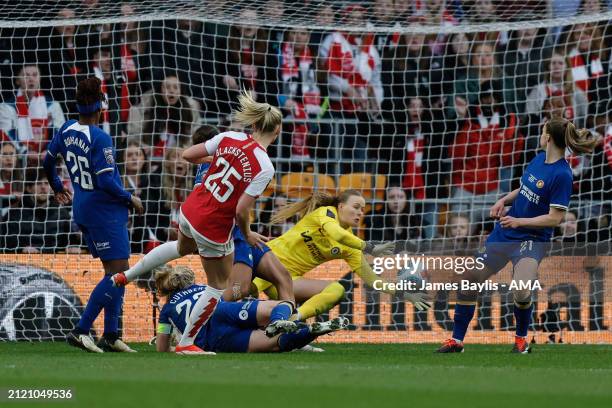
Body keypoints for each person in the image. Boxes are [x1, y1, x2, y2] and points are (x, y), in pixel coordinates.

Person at [112, 90, 282, 355]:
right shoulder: (265, 166)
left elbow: (188, 155)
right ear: (277, 130)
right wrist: (248, 234)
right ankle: (187, 342)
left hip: (190, 210)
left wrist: (220, 161)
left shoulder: (230, 136)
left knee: (180, 248)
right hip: (214, 225)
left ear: (254, 124)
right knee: (219, 286)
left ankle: (128, 274)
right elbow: (240, 211)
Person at [437, 117, 598, 354]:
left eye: (542, 131)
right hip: (506, 233)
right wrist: (503, 200)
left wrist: (518, 220)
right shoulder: (537, 159)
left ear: (548, 137)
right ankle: (456, 341)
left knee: (521, 289)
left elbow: (555, 218)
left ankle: (521, 341)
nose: (540, 135)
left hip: (532, 240)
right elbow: (523, 189)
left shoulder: (563, 174)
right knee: (469, 279)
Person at [42, 76, 144, 353]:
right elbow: (107, 181)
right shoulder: (100, 137)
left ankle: (111, 335)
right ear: (101, 107)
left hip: (83, 207)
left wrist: (57, 187)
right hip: (105, 210)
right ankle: (81, 329)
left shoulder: (65, 129)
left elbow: (47, 160)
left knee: (113, 271)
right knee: (120, 272)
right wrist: (130, 197)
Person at [252, 189, 432, 321]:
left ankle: (294, 321)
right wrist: (368, 247)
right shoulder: (325, 213)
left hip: (286, 280)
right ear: (340, 206)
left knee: (337, 290)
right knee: (238, 293)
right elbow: (336, 233)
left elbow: (373, 280)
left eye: (362, 209)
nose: (360, 212)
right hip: (264, 263)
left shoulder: (350, 246)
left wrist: (403, 293)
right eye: (356, 207)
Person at [154, 266, 347, 353]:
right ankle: (279, 321)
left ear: (165, 290)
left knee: (276, 344)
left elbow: (161, 348)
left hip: (214, 340)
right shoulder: (205, 288)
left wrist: (174, 345)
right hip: (224, 310)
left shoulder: (167, 311)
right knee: (281, 305)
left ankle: (311, 332)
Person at [2, 170, 80, 254]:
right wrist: (21, 248)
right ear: (29, 188)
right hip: (24, 262)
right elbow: (6, 242)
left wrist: (73, 246)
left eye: (46, 183)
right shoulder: (14, 214)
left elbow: (71, 240)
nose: (43, 187)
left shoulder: (62, 213)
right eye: (38, 183)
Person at [0, 64, 66, 164]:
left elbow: (60, 131)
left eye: (35, 75)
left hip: (47, 156)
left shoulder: (53, 105)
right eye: (26, 75)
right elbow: (6, 133)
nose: (31, 79)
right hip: (18, 159)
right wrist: (25, 152)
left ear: (40, 78)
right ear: (17, 80)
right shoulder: (6, 107)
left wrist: (49, 150)